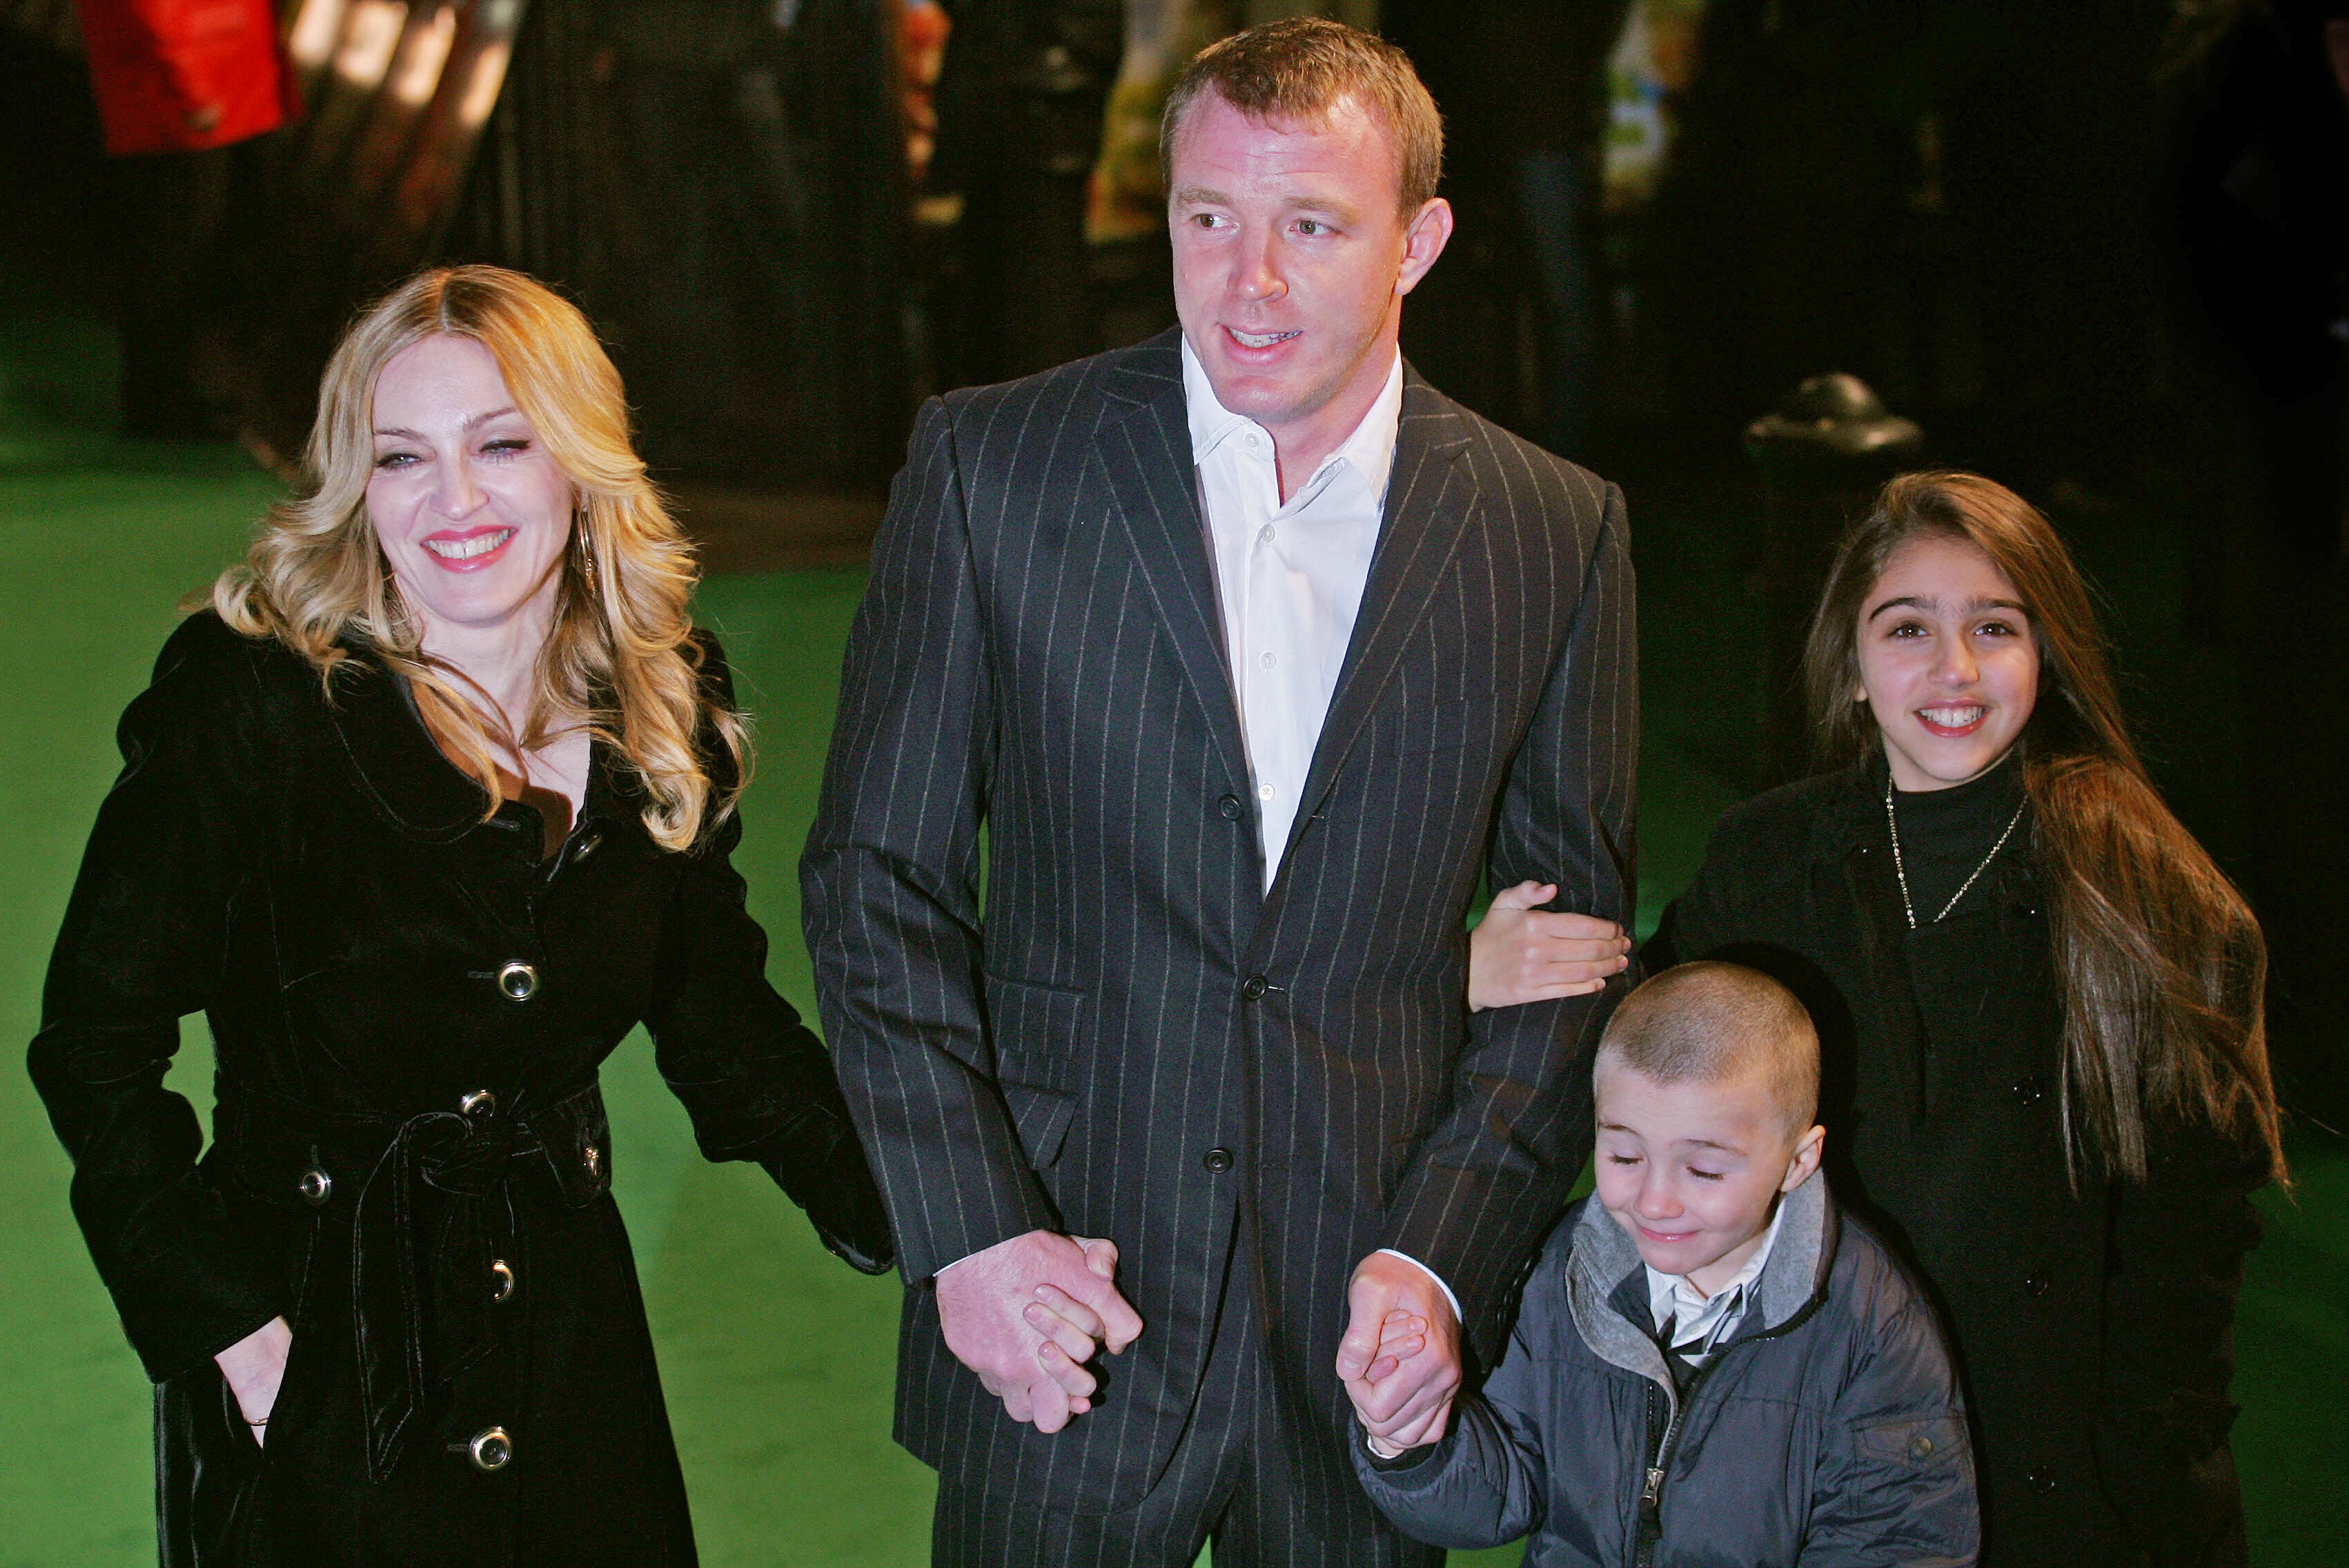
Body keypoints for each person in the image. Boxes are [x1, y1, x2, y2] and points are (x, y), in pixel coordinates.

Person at [801, 18, 1638, 1565]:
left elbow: (1562, 953)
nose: (1246, 283)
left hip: (1362, 1323)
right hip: (1061, 1296)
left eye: (1310, 226)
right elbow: (872, 881)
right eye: (1208, 218)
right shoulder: (996, 465)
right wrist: (970, 1229)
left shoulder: (1551, 530)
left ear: (1420, 240)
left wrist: (1445, 1259)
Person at [27, 264, 892, 1567]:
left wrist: (951, 1224)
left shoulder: (655, 704)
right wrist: (229, 1328)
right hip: (319, 1337)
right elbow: (94, 1040)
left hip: (565, 1330)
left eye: (502, 443)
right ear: (352, 486)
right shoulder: (254, 704)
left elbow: (725, 1033)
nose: (456, 501)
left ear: (580, 462)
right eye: (401, 458)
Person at [1471, 471, 2288, 1567]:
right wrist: (1481, 970)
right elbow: (1632, 1050)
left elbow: (2187, 1254)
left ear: (2045, 658)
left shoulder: (2146, 895)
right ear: (1850, 667)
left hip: (2060, 1470)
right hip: (1833, 1453)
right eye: (1908, 628)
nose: (1953, 669)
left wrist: (2140, 1477)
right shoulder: (1773, 855)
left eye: (1994, 627)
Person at [1348, 962, 1978, 1567]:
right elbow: (1502, 1490)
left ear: (1798, 1161)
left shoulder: (1874, 1322)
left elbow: (1901, 1539)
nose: (1654, 1202)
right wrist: (1413, 1439)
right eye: (1623, 1156)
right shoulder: (1563, 1273)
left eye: (1704, 1169)